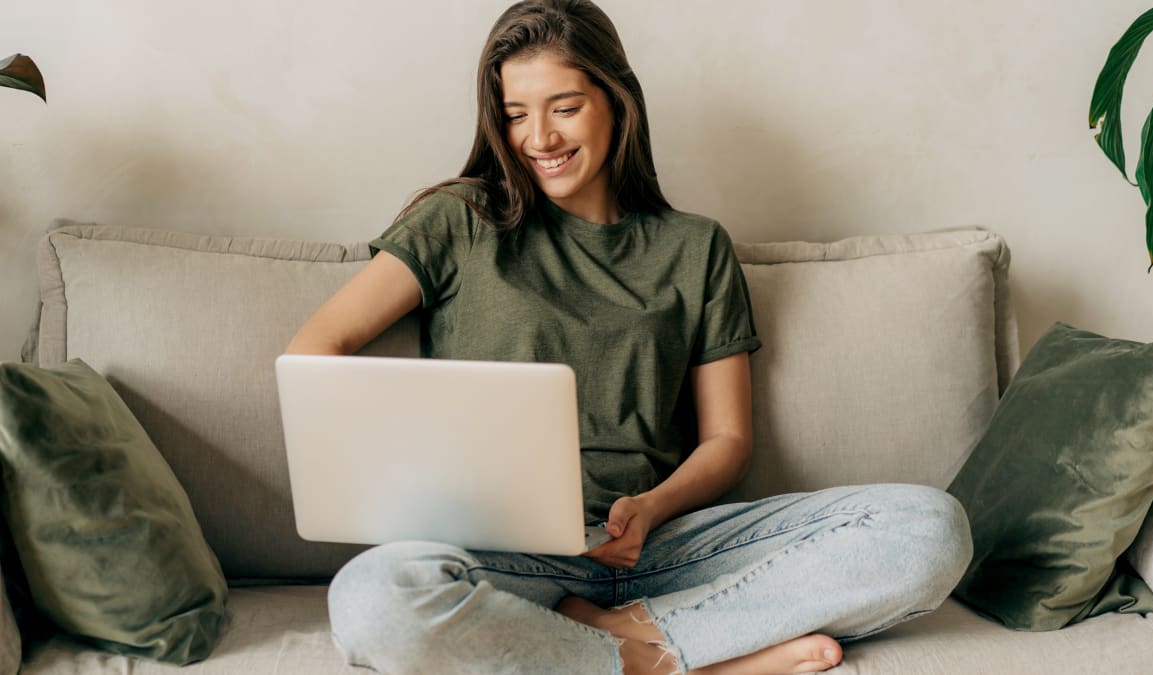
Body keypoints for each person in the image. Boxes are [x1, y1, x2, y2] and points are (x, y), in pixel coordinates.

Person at [285, 1, 972, 673]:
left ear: (617, 101)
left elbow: (727, 441)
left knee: (929, 528)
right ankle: (677, 657)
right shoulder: (460, 220)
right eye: (516, 114)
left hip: (667, 547)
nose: (539, 138)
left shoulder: (696, 247)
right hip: (504, 556)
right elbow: (314, 353)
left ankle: (612, 637)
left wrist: (650, 507)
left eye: (564, 105)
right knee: (372, 600)